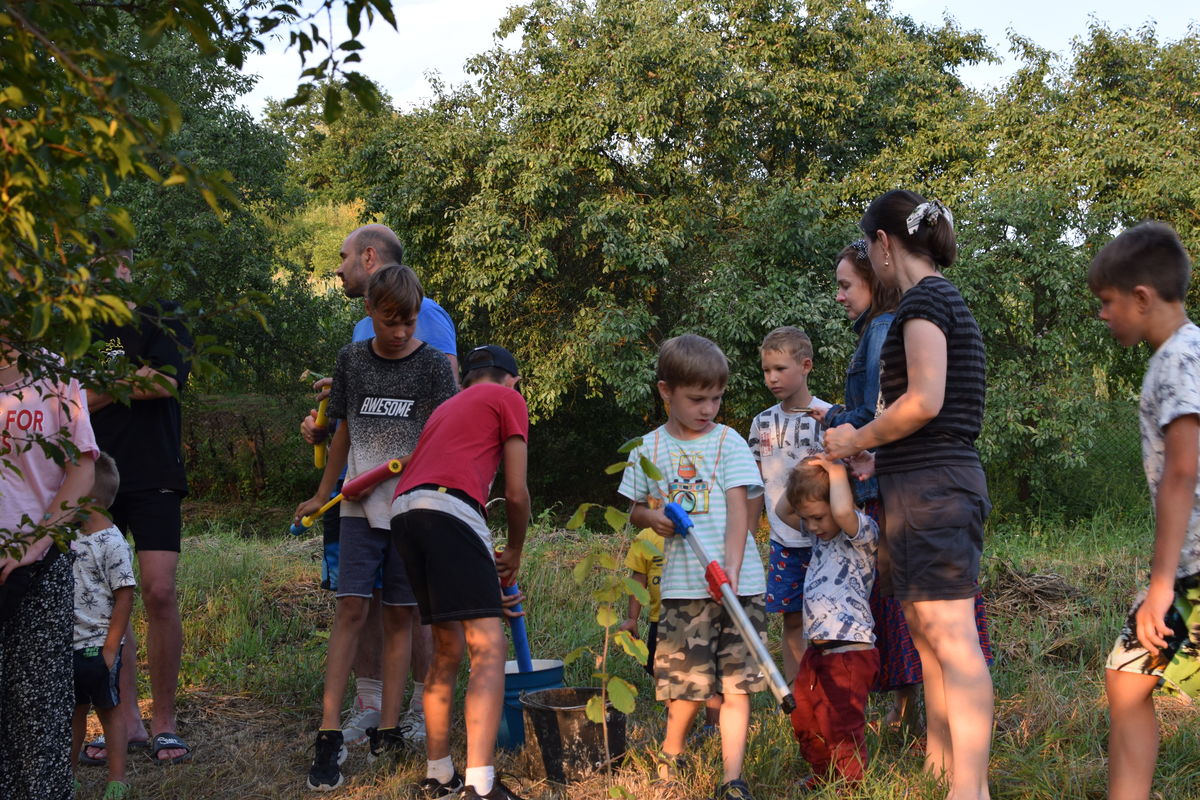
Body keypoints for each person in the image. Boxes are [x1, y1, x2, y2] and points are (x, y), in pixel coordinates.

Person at [824, 190, 993, 800]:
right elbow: (929, 414)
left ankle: (969, 789)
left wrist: (854, 439)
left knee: (952, 637)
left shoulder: (924, 302)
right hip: (918, 479)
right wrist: (878, 452)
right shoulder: (939, 299)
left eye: (870, 246)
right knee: (927, 633)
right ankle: (942, 766)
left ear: (884, 245)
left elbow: (925, 401)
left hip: (935, 489)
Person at [294, 265, 458, 791]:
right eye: (391, 322)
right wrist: (326, 492)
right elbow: (340, 432)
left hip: (412, 509)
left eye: (409, 322)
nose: (402, 331)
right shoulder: (352, 362)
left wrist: (416, 480)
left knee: (400, 616)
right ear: (371, 313)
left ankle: (389, 728)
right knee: (351, 608)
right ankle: (328, 733)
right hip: (358, 508)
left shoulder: (434, 367)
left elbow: (443, 442)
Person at [619, 333, 767, 800]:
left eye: (717, 398)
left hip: (737, 585)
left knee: (736, 685)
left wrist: (733, 572)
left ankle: (732, 778)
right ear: (666, 392)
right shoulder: (649, 448)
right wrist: (653, 517)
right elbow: (632, 509)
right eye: (697, 399)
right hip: (684, 588)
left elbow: (741, 510)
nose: (709, 408)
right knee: (685, 688)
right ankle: (671, 754)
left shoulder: (729, 443)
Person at [1088, 222, 1200, 800]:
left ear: (1141, 297)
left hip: (1192, 571)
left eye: (1107, 302)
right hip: (1185, 567)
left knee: (1130, 676)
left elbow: (1183, 470)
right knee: (1127, 677)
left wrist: (1161, 584)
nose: (1102, 315)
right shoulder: (1176, 356)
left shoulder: (1181, 358)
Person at [390, 344, 531, 800]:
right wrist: (514, 548)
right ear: (511, 379)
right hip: (451, 508)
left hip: (406, 512)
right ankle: (481, 785)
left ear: (466, 378)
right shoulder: (508, 399)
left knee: (447, 647)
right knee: (488, 647)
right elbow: (515, 492)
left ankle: (439, 773)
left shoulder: (446, 408)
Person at [87, 249, 194, 766]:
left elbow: (167, 381)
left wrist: (102, 387)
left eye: (117, 260)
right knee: (109, 598)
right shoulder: (75, 325)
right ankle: (123, 722)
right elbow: (72, 402)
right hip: (94, 475)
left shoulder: (162, 313)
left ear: (130, 263)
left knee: (158, 590)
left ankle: (165, 723)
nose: (108, 270)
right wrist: (132, 379)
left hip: (155, 473)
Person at [1, 345, 99, 800]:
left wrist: (28, 547)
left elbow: (81, 468)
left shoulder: (56, 372)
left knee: (38, 716)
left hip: (36, 569)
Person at [776, 455, 878, 788]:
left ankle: (850, 785)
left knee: (841, 722)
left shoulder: (861, 532)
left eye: (818, 517)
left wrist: (836, 470)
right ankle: (823, 776)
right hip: (818, 650)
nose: (813, 526)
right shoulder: (820, 538)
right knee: (804, 715)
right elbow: (781, 512)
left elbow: (843, 512)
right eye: (808, 519)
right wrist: (804, 469)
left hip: (850, 651)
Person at [746, 326, 827, 684]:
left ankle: (827, 693)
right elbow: (753, 487)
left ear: (806, 365)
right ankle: (797, 693)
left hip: (826, 541)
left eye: (780, 369)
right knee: (791, 619)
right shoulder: (761, 423)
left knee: (826, 621)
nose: (771, 378)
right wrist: (748, 539)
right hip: (782, 542)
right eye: (766, 370)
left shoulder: (830, 417)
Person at [70, 453, 136, 800]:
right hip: (68, 644)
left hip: (99, 643)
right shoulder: (64, 537)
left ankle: (117, 778)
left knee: (108, 709)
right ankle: (69, 776)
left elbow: (125, 595)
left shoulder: (111, 541)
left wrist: (111, 648)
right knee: (74, 710)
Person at [618, 528, 723, 738]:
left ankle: (712, 727)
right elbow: (639, 579)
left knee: (710, 674)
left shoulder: (699, 530)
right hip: (662, 619)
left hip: (701, 615)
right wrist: (632, 618)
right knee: (663, 674)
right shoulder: (646, 537)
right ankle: (677, 727)